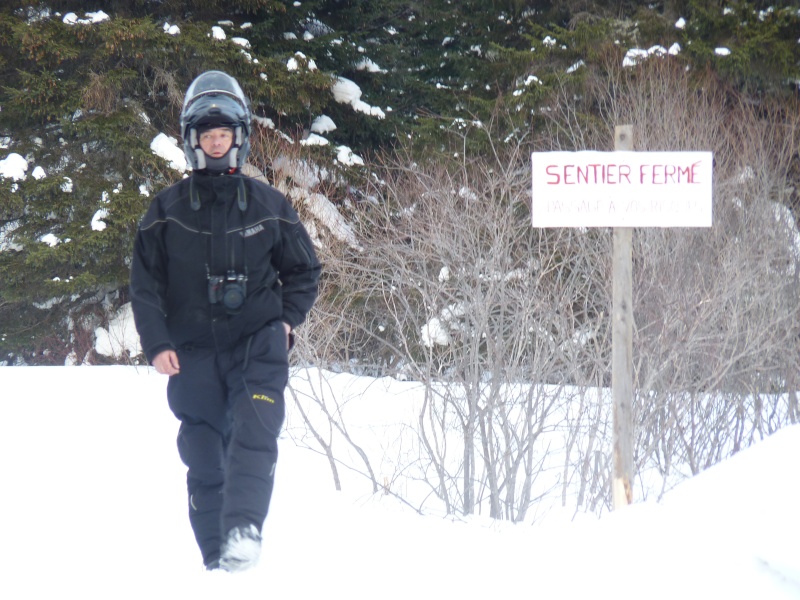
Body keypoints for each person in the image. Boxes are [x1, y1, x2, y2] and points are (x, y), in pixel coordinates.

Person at [130, 71, 321, 572]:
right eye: (207, 136)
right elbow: (145, 285)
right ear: (193, 142)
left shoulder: (269, 205)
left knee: (256, 432)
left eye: (224, 135)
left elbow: (303, 270)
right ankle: (217, 563)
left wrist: (286, 321)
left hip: (257, 344)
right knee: (203, 453)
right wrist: (156, 344)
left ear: (239, 139)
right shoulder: (165, 212)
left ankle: (243, 531)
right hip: (191, 352)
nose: (216, 145)